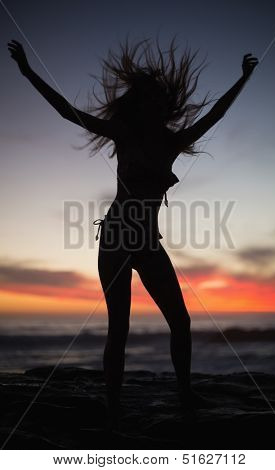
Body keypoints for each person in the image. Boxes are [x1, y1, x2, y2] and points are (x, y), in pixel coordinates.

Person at [7, 37, 258, 422]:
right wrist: (27, 71)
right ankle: (113, 406)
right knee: (119, 328)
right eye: (147, 98)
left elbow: (216, 115)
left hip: (148, 243)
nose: (154, 104)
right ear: (140, 105)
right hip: (116, 238)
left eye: (157, 98)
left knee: (181, 320)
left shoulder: (173, 141)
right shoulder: (124, 136)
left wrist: (243, 79)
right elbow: (67, 112)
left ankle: (185, 394)